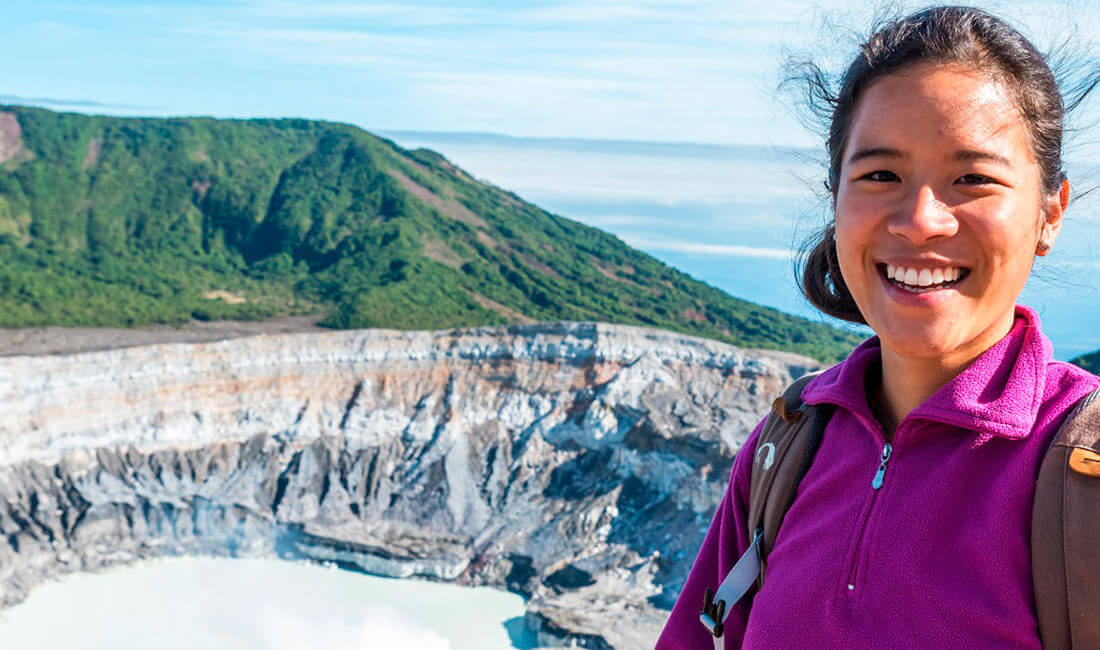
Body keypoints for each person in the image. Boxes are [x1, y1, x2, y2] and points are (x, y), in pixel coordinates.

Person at [656, 6, 1100, 649]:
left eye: (973, 178)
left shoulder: (1081, 471)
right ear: (835, 197)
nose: (920, 221)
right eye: (881, 175)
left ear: (1049, 212)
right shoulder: (788, 443)